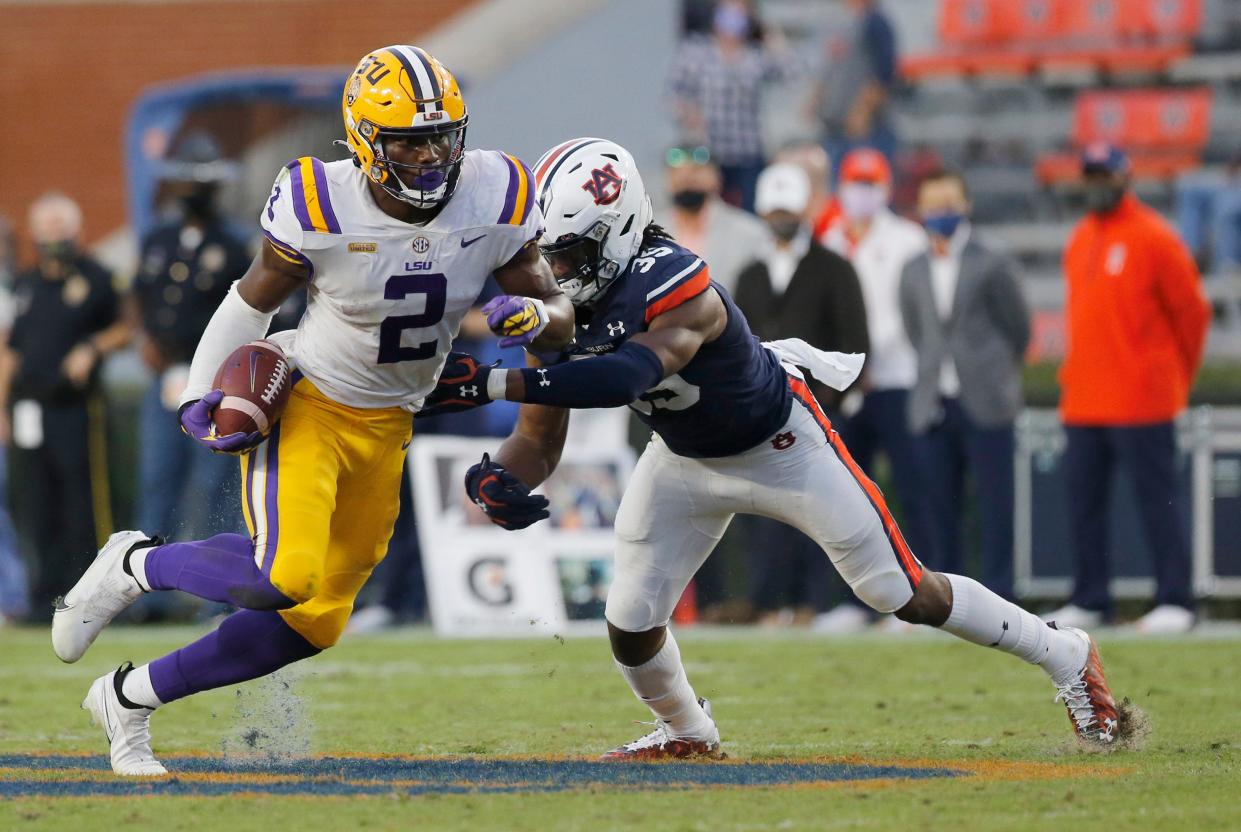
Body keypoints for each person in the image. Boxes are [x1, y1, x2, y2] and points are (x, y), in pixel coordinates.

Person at [418, 137, 1126, 759]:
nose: (557, 268)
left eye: (571, 252)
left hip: (782, 447)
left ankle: (1062, 653)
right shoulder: (556, 302)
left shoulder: (677, 281)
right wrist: (499, 477)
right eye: (550, 252)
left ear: (619, 227)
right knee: (630, 624)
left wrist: (490, 382)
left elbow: (625, 374)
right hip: (684, 460)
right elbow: (539, 437)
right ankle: (687, 730)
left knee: (899, 591)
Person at [50, 45, 575, 776]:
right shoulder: (319, 199)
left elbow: (557, 311)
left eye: (442, 136)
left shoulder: (496, 191)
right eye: (408, 142)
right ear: (364, 139)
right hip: (311, 401)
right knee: (284, 574)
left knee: (316, 621)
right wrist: (205, 396)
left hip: (392, 418)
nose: (430, 157)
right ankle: (137, 563)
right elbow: (250, 302)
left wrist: (537, 321)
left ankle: (128, 696)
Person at [1047, 143, 1210, 635]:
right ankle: (1092, 596)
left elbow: (1193, 314)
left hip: (1143, 399)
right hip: (1084, 399)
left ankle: (1175, 599)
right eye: (1090, 175)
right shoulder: (1079, 238)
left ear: (1124, 177)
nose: (1097, 185)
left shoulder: (1155, 237)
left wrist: (1173, 377)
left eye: (1105, 175)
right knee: (1083, 503)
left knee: (1158, 500)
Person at [733, 162, 868, 624]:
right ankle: (771, 602)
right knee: (768, 515)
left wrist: (832, 400)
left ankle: (819, 602)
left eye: (787, 208)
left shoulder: (834, 268)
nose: (781, 217)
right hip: (760, 410)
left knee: (824, 510)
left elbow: (854, 341)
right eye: (774, 209)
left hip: (818, 411)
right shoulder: (749, 273)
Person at [1, 193, 131, 622]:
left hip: (76, 409)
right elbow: (11, 352)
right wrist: (2, 407)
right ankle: (45, 599)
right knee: (36, 504)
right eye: (47, 228)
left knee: (83, 503)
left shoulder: (96, 277)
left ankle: (91, 596)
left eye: (61, 227)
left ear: (75, 230)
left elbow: (124, 329)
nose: (53, 237)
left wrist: (91, 348)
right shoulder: (26, 283)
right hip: (28, 410)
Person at [900, 170, 1030, 600]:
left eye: (948, 203)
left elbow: (1017, 328)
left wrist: (994, 374)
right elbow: (917, 332)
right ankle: (949, 600)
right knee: (939, 506)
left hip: (986, 400)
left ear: (966, 205)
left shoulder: (991, 261)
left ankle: (1001, 596)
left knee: (995, 505)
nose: (940, 213)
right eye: (932, 204)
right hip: (934, 402)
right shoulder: (913, 268)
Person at [819, 147, 933, 632]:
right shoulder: (828, 238)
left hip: (894, 380)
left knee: (913, 489)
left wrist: (863, 357)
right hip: (843, 385)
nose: (861, 192)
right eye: (854, 182)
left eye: (870, 183)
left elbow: (903, 312)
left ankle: (920, 599)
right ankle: (855, 600)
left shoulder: (907, 239)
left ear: (885, 188)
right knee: (842, 493)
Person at [129, 132, 250, 544]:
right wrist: (142, 337)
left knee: (213, 483)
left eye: (204, 182)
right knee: (157, 476)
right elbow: (138, 294)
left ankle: (212, 587)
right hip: (163, 374)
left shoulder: (234, 247)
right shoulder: (157, 240)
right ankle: (147, 583)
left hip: (213, 383)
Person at [667, 1, 797, 211]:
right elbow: (674, 93)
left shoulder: (754, 56)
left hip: (748, 153)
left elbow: (790, 72)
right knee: (710, 211)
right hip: (710, 153)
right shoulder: (697, 52)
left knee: (752, 211)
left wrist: (769, 34)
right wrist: (688, 114)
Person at [663, 145, 771, 297]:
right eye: (678, 173)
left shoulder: (750, 233)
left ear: (717, 178)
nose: (686, 178)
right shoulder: (647, 234)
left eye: (696, 171)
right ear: (668, 180)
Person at [808, 0, 899, 178]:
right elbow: (832, 67)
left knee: (865, 182)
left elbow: (884, 73)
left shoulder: (876, 22)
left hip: (865, 128)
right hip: (835, 123)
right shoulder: (844, 21)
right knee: (834, 184)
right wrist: (815, 98)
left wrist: (863, 110)